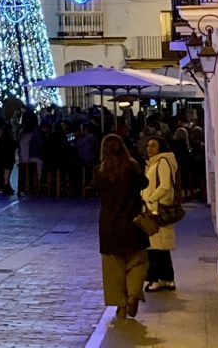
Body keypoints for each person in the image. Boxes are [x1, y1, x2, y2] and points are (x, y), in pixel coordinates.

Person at [94, 133, 149, 321]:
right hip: (133, 224)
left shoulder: (100, 173)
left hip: (109, 226)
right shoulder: (132, 169)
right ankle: (133, 295)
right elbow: (145, 183)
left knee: (113, 269)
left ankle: (121, 305)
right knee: (137, 262)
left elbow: (93, 188)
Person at [142, 136, 178, 292]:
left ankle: (157, 278)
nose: (149, 149)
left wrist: (150, 198)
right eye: (148, 145)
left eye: (153, 146)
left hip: (157, 209)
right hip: (153, 207)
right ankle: (166, 278)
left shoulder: (162, 162)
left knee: (156, 246)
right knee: (159, 246)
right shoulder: (154, 162)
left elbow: (164, 185)